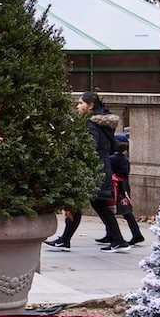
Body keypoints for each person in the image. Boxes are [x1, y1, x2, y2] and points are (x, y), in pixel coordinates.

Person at [46, 92, 127, 252]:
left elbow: (89, 146)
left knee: (78, 202)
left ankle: (66, 240)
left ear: (90, 106)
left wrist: (74, 150)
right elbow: (112, 147)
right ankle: (118, 241)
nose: (77, 106)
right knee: (99, 206)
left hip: (91, 169)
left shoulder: (90, 123)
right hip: (101, 168)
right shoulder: (104, 124)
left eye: (81, 103)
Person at [109, 136, 146, 246]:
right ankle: (110, 235)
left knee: (125, 213)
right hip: (123, 187)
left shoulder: (114, 159)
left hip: (119, 188)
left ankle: (137, 235)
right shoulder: (123, 158)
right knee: (117, 212)